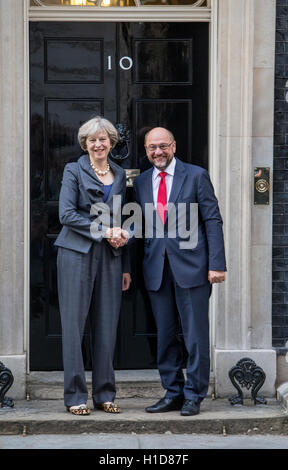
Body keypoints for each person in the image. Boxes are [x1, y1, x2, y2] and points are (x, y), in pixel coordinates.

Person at [133, 127, 226, 416]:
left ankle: (193, 395)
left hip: (193, 268)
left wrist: (217, 264)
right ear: (146, 150)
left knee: (195, 334)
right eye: (152, 148)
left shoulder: (196, 175)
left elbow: (212, 220)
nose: (157, 152)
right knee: (165, 335)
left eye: (163, 146)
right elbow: (141, 224)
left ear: (173, 146)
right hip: (156, 268)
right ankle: (172, 391)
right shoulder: (142, 182)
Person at [55, 116, 131, 416]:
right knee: (74, 326)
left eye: (103, 139)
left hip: (111, 257)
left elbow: (121, 218)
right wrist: (106, 231)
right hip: (76, 253)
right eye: (92, 140)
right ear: (85, 144)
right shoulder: (73, 170)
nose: (98, 144)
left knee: (107, 325)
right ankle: (75, 396)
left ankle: (104, 394)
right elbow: (66, 214)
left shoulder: (120, 173)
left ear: (111, 143)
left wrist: (123, 247)